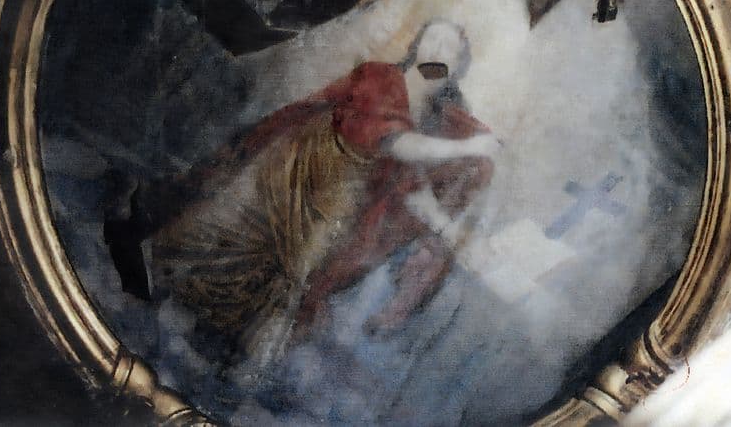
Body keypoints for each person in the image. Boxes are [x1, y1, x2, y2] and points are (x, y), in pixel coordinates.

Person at [113, 20, 498, 358]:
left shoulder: (433, 121)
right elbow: (395, 143)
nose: (439, 51)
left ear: (457, 68)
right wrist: (468, 148)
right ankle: (159, 291)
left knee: (288, 271)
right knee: (235, 232)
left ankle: (215, 331)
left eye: (450, 49)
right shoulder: (382, 79)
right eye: (434, 39)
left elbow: (414, 181)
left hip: (341, 202)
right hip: (299, 166)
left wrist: (448, 216)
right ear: (417, 46)